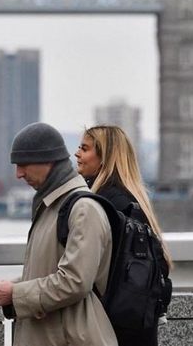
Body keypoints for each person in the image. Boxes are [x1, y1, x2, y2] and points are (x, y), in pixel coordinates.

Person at [0, 122, 117, 346]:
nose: (18, 174)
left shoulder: (83, 209)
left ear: (48, 161)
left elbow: (75, 282)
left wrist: (15, 294)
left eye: (23, 165)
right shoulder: (52, 206)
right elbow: (51, 271)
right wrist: (11, 287)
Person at [74, 125, 172, 346]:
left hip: (113, 327)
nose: (77, 153)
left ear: (104, 157)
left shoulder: (107, 203)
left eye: (84, 148)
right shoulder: (129, 199)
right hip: (134, 324)